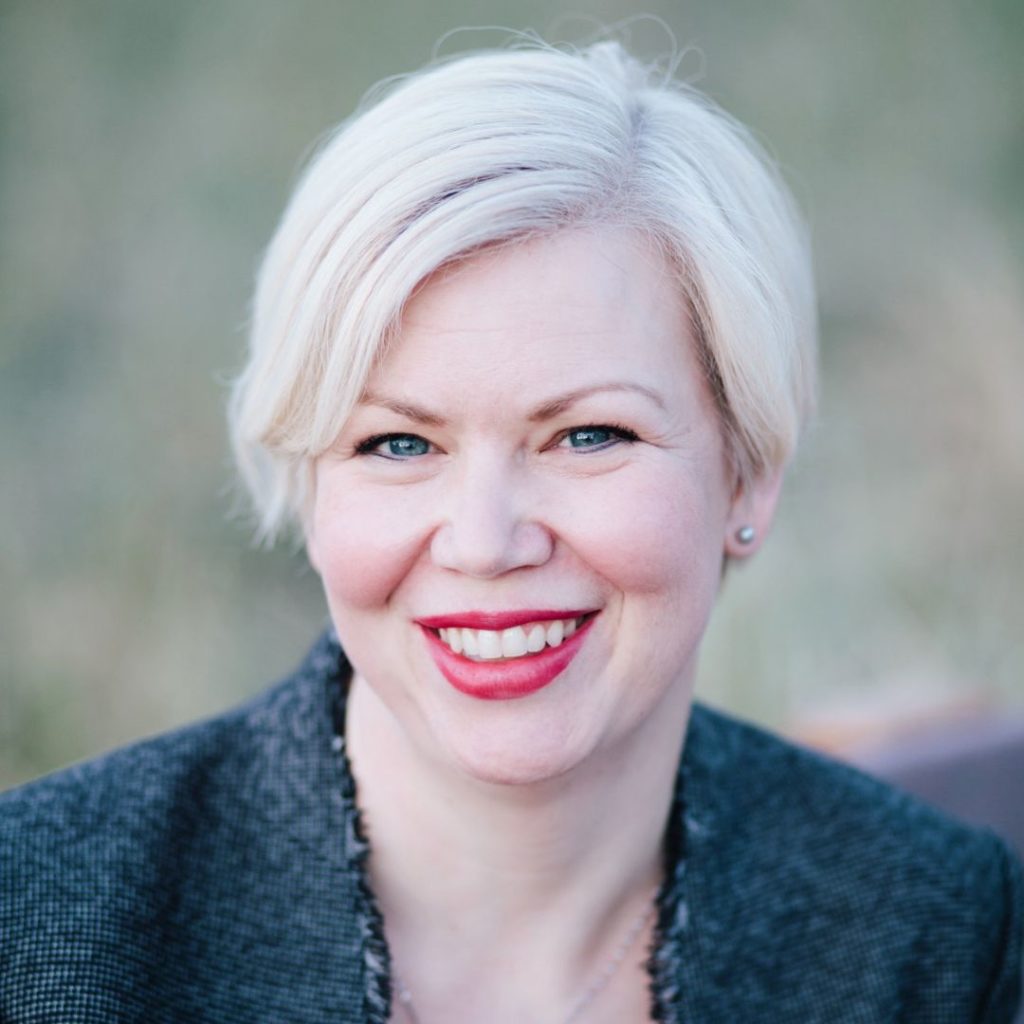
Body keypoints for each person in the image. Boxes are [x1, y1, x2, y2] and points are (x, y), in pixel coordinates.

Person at [1, 38, 1021, 1024]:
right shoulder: (38, 917)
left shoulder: (938, 936)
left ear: (748, 476)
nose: (484, 542)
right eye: (398, 444)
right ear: (310, 486)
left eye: (587, 434)